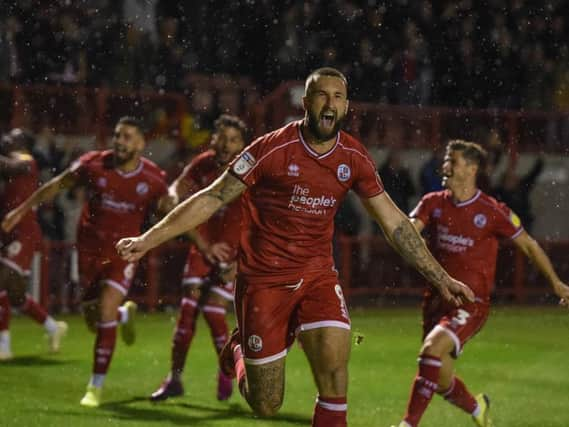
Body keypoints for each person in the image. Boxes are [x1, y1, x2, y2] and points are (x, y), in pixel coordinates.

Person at [116, 68, 473, 426]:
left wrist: (440, 277)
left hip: (317, 275)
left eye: (337, 96)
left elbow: (395, 223)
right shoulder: (271, 149)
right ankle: (239, 349)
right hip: (264, 283)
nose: (329, 103)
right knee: (266, 403)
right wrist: (148, 240)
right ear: (306, 103)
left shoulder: (353, 157)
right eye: (321, 95)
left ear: (346, 106)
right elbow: (212, 198)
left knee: (335, 371)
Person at [392, 140, 569, 427]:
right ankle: (478, 410)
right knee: (438, 377)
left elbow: (529, 245)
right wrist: (407, 235)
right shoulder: (432, 202)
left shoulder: (491, 210)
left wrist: (557, 284)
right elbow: (409, 232)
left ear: (472, 169)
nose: (446, 166)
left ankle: (407, 424)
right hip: (436, 300)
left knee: (430, 352)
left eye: (454, 161)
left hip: (471, 303)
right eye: (446, 160)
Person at [2, 117, 173, 407]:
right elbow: (56, 185)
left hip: (123, 253)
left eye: (128, 137)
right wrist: (21, 211)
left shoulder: (154, 179)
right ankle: (123, 316)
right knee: (95, 321)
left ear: (141, 144)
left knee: (105, 308)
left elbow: (171, 210)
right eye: (118, 135)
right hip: (90, 252)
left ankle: (95, 386)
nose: (120, 141)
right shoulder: (93, 164)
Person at [150, 114, 247, 402]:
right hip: (203, 249)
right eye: (222, 138)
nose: (226, 145)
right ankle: (175, 379)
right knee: (187, 313)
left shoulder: (250, 171)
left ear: (242, 144)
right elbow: (176, 189)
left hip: (232, 254)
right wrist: (169, 195)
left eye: (233, 140)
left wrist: (241, 264)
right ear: (213, 138)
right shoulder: (204, 163)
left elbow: (264, 221)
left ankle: (224, 371)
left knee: (214, 311)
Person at [0, 128, 68, 360]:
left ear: (23, 143)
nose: (7, 137)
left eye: (13, 135)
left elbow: (9, 167)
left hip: (24, 232)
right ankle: (52, 327)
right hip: (9, 232)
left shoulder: (26, 162)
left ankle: (4, 346)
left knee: (3, 278)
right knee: (15, 295)